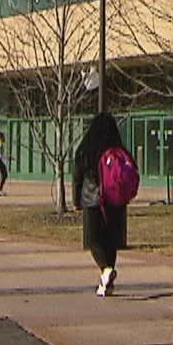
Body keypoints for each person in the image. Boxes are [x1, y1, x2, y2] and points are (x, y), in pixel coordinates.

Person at [72, 112, 130, 297]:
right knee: (110, 242)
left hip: (92, 200)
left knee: (94, 241)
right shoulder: (119, 150)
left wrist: (76, 200)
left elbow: (77, 176)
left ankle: (105, 270)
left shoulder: (86, 148)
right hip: (115, 200)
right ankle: (107, 281)